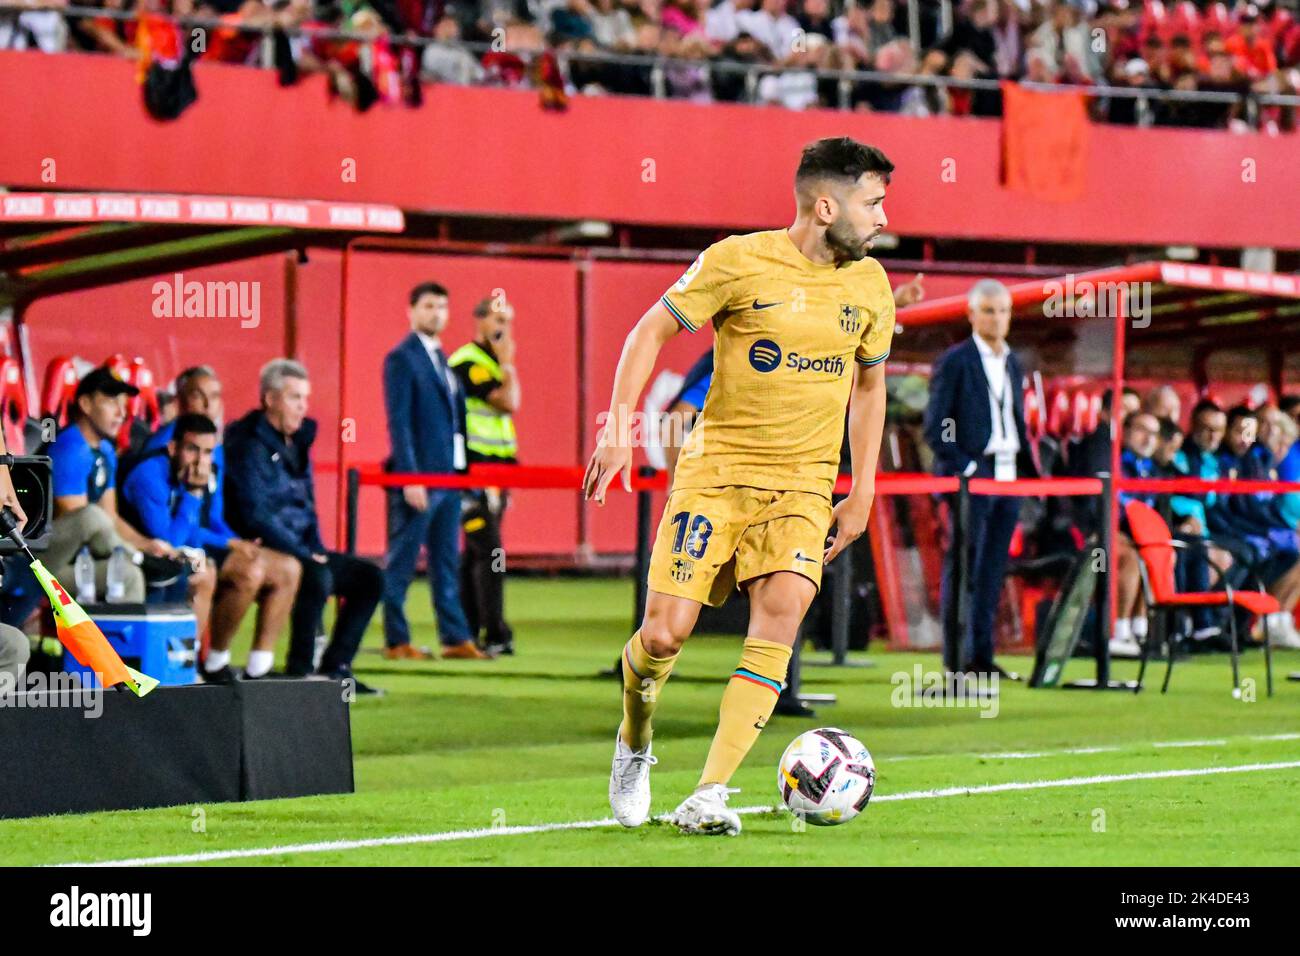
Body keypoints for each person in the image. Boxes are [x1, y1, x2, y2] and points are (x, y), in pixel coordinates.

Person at [584, 137, 895, 836]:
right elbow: (648, 330)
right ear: (825, 205)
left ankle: (709, 792)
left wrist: (863, 488)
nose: (881, 218)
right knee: (664, 637)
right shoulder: (737, 260)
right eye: (871, 203)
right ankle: (635, 740)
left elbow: (870, 386)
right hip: (716, 476)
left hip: (804, 487)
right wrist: (618, 430)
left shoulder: (870, 285)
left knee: (781, 612)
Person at [224, 359, 385, 694]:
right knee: (317, 575)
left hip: (302, 548)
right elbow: (254, 514)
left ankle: (336, 667)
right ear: (269, 399)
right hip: (265, 548)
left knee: (370, 578)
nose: (303, 407)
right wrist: (304, 554)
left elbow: (307, 506)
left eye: (305, 399)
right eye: (295, 398)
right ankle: (300, 673)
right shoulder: (247, 444)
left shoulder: (298, 442)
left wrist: (315, 547)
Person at [121, 412, 302, 682]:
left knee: (289, 568)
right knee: (228, 572)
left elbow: (212, 520)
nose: (200, 460)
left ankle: (258, 668)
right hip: (145, 553)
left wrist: (235, 540)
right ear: (173, 448)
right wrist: (195, 497)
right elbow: (171, 540)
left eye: (207, 452)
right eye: (192, 450)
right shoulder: (150, 475)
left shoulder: (208, 470)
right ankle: (188, 666)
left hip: (193, 545)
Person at [922, 279, 1036, 680]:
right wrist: (965, 468)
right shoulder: (955, 361)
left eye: (1004, 310)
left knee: (993, 569)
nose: (998, 318)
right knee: (964, 566)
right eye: (989, 310)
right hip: (974, 474)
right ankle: (956, 661)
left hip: (1009, 474)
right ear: (972, 314)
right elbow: (936, 427)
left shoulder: (1013, 361)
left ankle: (982, 657)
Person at [382, 283, 486, 661]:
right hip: (420, 480)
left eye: (442, 306)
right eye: (428, 306)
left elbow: (455, 422)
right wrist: (410, 476)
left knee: (445, 562)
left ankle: (455, 638)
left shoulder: (442, 358)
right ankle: (396, 640)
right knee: (402, 561)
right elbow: (400, 423)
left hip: (448, 478)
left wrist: (463, 475)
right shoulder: (401, 358)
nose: (437, 313)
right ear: (411, 311)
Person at [45, 367, 181, 602]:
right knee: (95, 524)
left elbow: (111, 519)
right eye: (111, 402)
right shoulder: (70, 448)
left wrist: (147, 545)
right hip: (47, 560)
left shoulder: (105, 451)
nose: (121, 412)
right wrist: (134, 554)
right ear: (86, 404)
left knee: (137, 573)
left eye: (123, 403)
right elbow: (81, 524)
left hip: (80, 559)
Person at [450, 295, 521, 656]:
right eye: (496, 319)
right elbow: (508, 402)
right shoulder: (468, 362)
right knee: (491, 552)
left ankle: (466, 631)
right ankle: (495, 633)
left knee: (475, 555)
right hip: (473, 475)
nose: (502, 328)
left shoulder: (494, 363)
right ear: (478, 321)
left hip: (497, 473)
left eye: (507, 321)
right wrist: (508, 365)